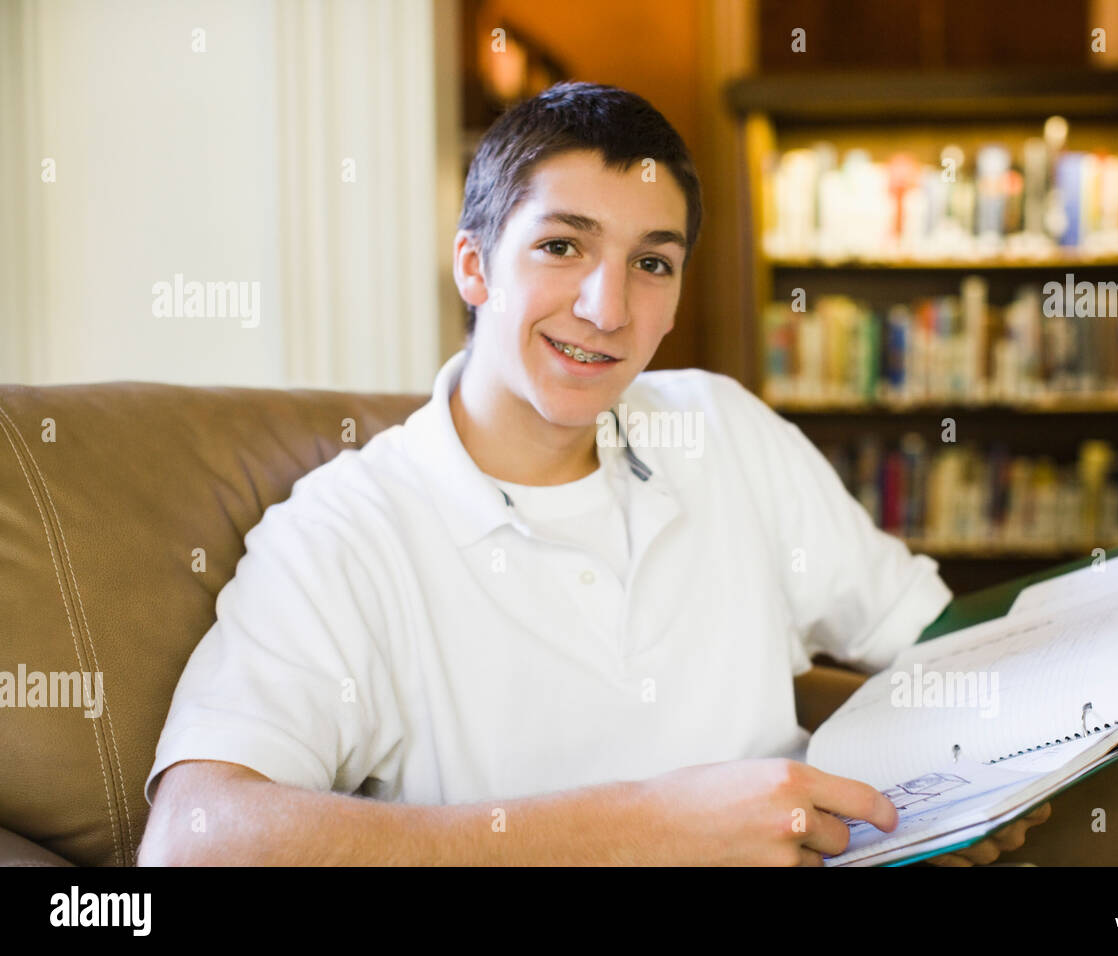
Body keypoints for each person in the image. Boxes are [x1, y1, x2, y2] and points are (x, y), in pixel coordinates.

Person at [137, 81, 1048, 866]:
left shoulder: (721, 427)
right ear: (474, 266)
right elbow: (195, 840)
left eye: (651, 262)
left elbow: (931, 642)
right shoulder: (346, 533)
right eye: (562, 246)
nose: (606, 308)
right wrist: (647, 829)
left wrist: (949, 793)